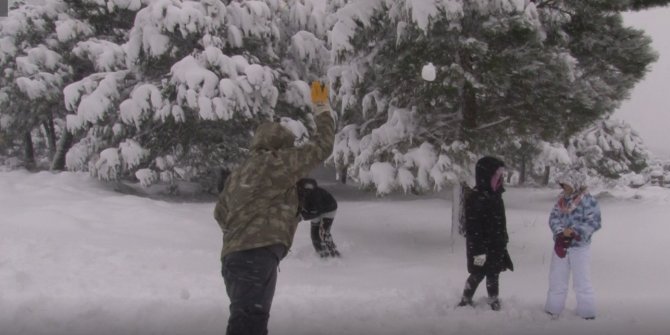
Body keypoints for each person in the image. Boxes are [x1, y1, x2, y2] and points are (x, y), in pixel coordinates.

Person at [213, 81, 335, 335]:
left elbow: (220, 213)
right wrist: (321, 103)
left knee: (247, 320)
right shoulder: (277, 163)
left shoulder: (239, 173)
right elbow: (322, 146)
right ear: (280, 146)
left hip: (233, 259)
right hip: (256, 257)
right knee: (249, 324)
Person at [457, 156, 514, 311]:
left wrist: (504, 239)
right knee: (478, 273)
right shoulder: (476, 198)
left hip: (496, 244)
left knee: (494, 273)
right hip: (479, 247)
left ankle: (493, 299)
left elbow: (501, 221)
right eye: (497, 175)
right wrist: (478, 250)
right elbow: (473, 228)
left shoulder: (497, 196)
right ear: (486, 176)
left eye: (501, 175)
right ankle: (465, 299)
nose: (500, 178)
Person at [544, 170, 601, 320]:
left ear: (576, 184)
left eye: (568, 185)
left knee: (582, 280)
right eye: (563, 185)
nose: (565, 188)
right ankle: (553, 308)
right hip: (561, 245)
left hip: (580, 247)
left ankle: (587, 312)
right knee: (557, 279)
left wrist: (575, 231)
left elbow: (594, 222)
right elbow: (553, 218)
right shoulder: (561, 201)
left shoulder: (589, 201)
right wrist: (560, 232)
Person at [296, 177, 340, 258]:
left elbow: (318, 211)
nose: (306, 191)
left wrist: (303, 217)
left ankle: (333, 253)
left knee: (323, 233)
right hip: (313, 209)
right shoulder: (299, 192)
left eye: (309, 189)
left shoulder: (316, 194)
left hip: (329, 209)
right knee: (314, 233)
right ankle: (321, 253)